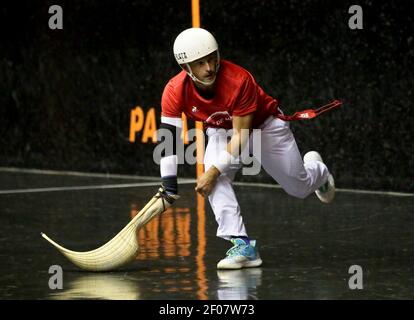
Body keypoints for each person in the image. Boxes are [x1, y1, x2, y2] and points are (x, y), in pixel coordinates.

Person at [157, 27, 335, 270]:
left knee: (298, 187)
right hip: (221, 130)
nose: (209, 67)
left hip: (264, 125)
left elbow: (242, 135)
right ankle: (242, 245)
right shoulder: (174, 90)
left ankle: (319, 172)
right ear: (185, 67)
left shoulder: (239, 80)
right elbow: (170, 139)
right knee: (214, 178)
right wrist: (168, 185)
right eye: (200, 63)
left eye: (212, 58)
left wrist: (213, 171)